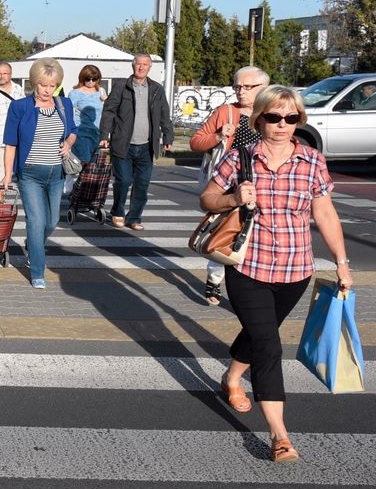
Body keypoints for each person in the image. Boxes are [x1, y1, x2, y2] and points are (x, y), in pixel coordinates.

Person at [200, 85, 352, 464]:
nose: (282, 125)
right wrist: (234, 198)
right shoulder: (240, 158)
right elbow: (207, 199)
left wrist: (342, 263)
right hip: (248, 266)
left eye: (291, 118)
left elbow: (325, 213)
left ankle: (232, 377)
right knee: (269, 345)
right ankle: (280, 436)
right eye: (274, 117)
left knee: (258, 333)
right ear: (259, 119)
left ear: (299, 120)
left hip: (296, 270)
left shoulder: (312, 160)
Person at [189, 66, 268, 305]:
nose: (240, 92)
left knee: (255, 235)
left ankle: (249, 285)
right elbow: (196, 142)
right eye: (237, 87)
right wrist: (218, 136)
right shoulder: (226, 112)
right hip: (228, 183)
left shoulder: (271, 113)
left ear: (263, 87)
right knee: (226, 230)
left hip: (261, 183)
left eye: (247, 87)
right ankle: (215, 278)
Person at [2, 58, 76, 289]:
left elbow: (73, 130)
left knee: (52, 221)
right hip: (30, 174)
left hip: (56, 174)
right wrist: (7, 175)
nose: (47, 90)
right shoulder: (20, 107)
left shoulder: (64, 105)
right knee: (36, 221)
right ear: (34, 82)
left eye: (52, 85)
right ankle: (37, 270)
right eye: (43, 84)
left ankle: (33, 245)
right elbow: (11, 144)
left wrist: (69, 143)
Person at [99, 53, 173, 230]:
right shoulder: (120, 87)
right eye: (138, 64)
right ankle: (117, 211)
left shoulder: (156, 89)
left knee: (142, 183)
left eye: (145, 64)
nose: (141, 67)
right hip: (123, 144)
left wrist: (168, 136)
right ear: (133, 66)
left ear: (149, 67)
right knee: (123, 181)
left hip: (147, 146)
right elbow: (109, 112)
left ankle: (134, 218)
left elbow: (164, 114)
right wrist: (104, 135)